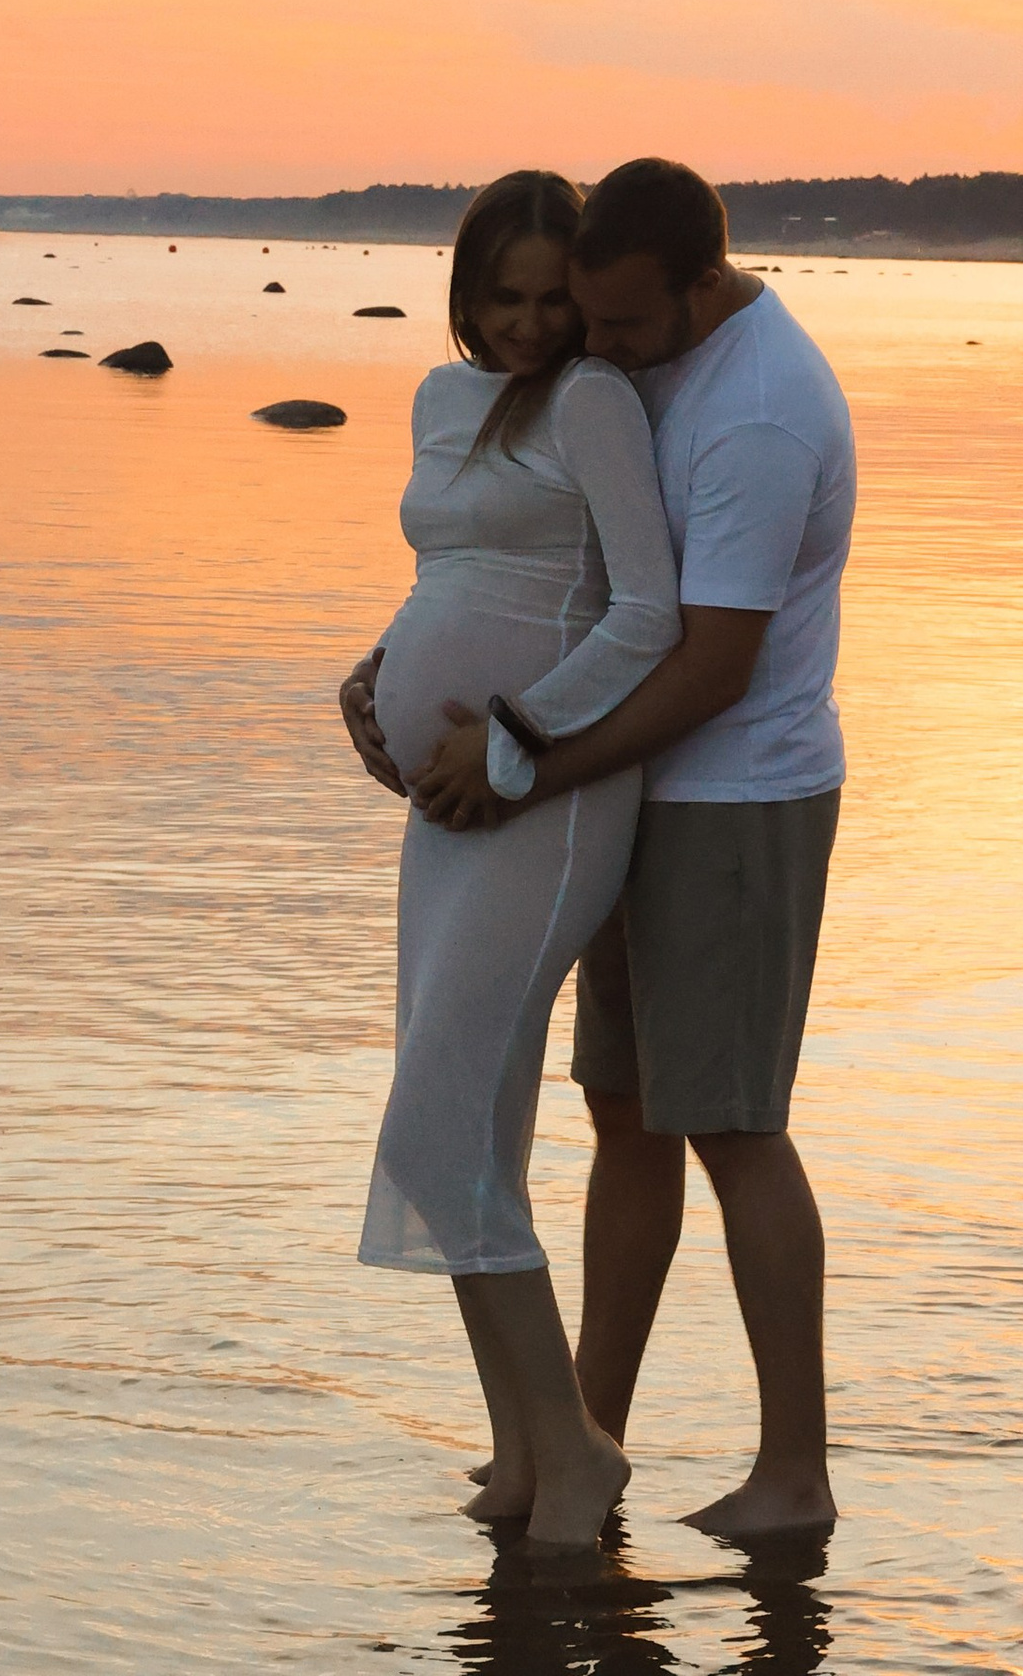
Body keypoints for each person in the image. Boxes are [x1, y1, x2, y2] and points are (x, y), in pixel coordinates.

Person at [397, 158, 857, 1544]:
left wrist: (520, 758)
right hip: (642, 798)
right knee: (626, 1120)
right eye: (567, 314)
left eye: (618, 322)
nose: (590, 345)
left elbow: (709, 659)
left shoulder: (758, 412)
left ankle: (795, 1472)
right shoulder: (647, 355)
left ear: (701, 285)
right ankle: (581, 1430)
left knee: (733, 1127)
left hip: (735, 800)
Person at [340, 168, 684, 1549]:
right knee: (468, 1134)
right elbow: (451, 571)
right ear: (465, 296)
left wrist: (511, 740)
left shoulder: (596, 403)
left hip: (545, 800)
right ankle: (526, 1448)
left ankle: (582, 1455)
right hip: (445, 806)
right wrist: (378, 673)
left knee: (437, 1125)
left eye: (558, 299)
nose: (537, 325)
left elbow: (648, 617)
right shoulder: (439, 400)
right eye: (509, 299)